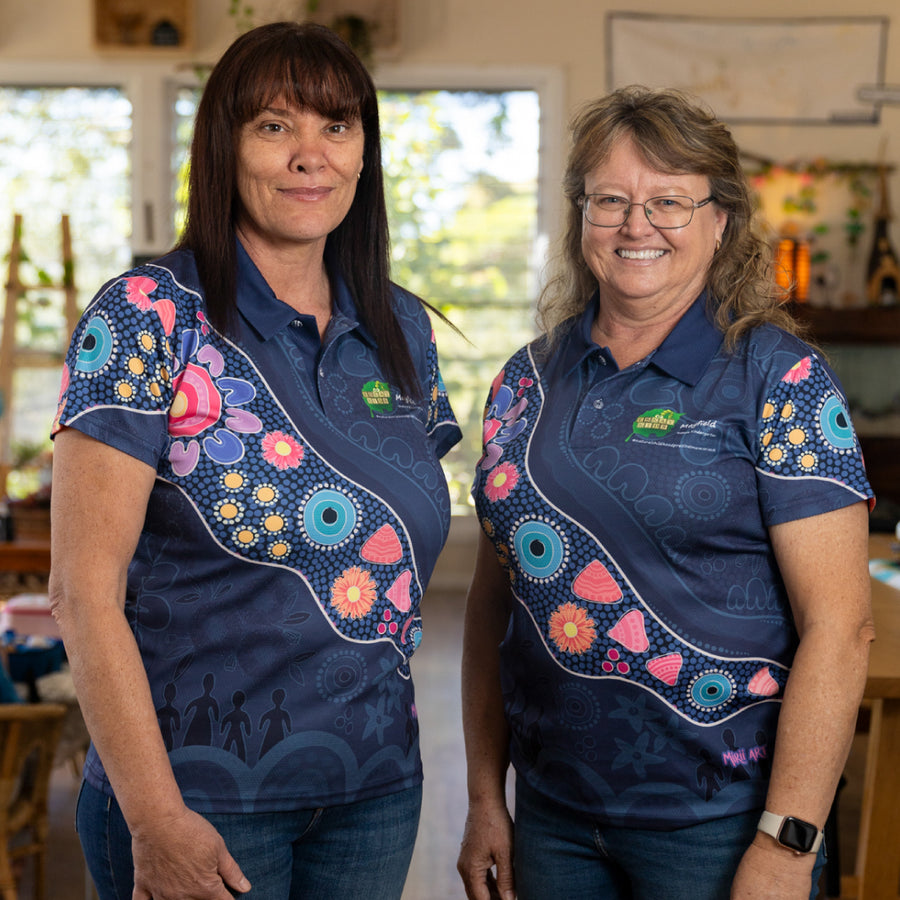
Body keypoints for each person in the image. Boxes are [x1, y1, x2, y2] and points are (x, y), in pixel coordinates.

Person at [48, 22, 460, 900]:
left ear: (364, 152)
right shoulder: (147, 315)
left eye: (336, 126)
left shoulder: (400, 326)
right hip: (195, 797)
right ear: (224, 149)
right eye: (275, 126)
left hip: (376, 790)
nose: (311, 155)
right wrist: (155, 818)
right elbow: (82, 592)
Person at [457, 86, 875, 900]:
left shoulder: (781, 379)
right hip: (551, 817)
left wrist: (787, 844)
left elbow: (842, 628)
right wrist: (483, 796)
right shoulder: (524, 382)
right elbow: (491, 608)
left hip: (720, 821)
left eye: (669, 202)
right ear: (581, 216)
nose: (636, 225)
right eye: (610, 199)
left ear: (721, 221)